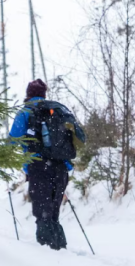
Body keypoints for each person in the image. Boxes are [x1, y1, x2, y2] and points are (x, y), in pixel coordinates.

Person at [10, 79, 85, 250]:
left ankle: (48, 255)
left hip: (39, 167)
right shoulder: (57, 111)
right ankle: (60, 249)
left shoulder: (26, 112)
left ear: (28, 94)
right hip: (60, 167)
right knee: (53, 213)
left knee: (42, 213)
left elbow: (12, 140)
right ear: (44, 94)